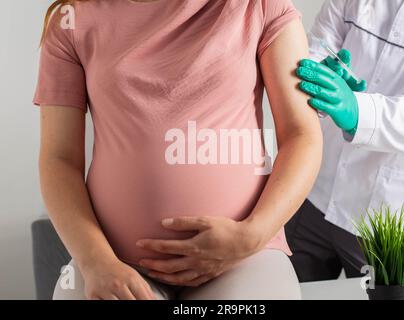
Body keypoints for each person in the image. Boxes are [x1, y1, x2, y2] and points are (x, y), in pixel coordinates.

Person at [34, 0, 322, 300]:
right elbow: (59, 160)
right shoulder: (72, 19)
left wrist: (252, 235)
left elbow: (301, 135)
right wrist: (95, 261)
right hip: (115, 262)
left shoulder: (260, 5)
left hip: (245, 257)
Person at [286, 0, 404, 282]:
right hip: (316, 189)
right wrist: (324, 75)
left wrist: (358, 111)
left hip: (389, 215)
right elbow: (314, 48)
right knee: (290, 287)